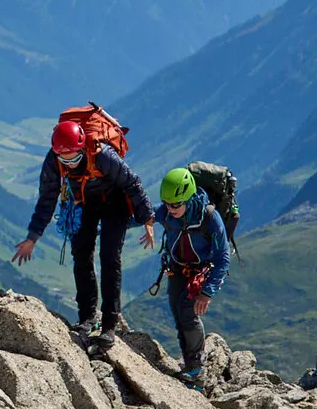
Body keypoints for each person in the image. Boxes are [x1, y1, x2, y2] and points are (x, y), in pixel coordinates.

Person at [13, 119, 156, 335]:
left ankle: (109, 324)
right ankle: (87, 317)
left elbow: (131, 183)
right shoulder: (54, 159)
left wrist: (147, 219)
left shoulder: (103, 155)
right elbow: (47, 198)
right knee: (81, 254)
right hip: (85, 202)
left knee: (110, 258)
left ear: (82, 148)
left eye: (75, 158)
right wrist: (33, 237)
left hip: (115, 203)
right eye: (65, 160)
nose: (69, 164)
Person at [153, 167, 231, 384]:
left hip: (202, 270)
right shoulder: (168, 212)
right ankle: (190, 367)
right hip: (177, 268)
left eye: (176, 204)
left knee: (187, 311)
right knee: (178, 314)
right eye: (167, 204)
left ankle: (196, 368)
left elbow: (223, 258)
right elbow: (144, 215)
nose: (171, 209)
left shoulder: (210, 217)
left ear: (188, 197)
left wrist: (207, 292)